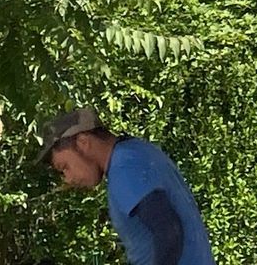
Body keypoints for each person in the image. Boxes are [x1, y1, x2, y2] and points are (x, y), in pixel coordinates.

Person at [37, 107, 214, 265]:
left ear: (83, 142)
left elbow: (169, 233)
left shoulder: (124, 168)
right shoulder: (136, 151)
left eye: (64, 167)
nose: (68, 178)